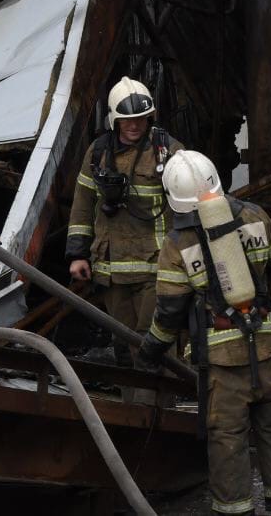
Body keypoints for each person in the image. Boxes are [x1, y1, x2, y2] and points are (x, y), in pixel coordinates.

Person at [137, 151, 271, 516]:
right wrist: (264, 293)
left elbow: (169, 312)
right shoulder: (255, 216)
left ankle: (235, 510)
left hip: (223, 363)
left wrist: (151, 349)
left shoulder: (178, 243)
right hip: (270, 348)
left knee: (228, 440)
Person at [66, 76, 182, 366]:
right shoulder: (98, 153)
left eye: (141, 119)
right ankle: (132, 396)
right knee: (123, 344)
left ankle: (160, 396)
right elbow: (82, 204)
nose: (134, 125)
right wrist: (78, 254)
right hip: (111, 269)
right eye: (127, 120)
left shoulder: (167, 152)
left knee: (153, 342)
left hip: (156, 268)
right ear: (114, 120)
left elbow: (191, 205)